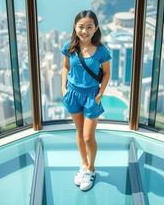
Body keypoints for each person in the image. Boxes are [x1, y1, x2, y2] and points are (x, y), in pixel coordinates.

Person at [61, 10, 111, 191]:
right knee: (80, 131)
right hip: (73, 93)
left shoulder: (102, 51)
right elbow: (65, 67)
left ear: (95, 28)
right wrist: (63, 88)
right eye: (81, 26)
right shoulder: (69, 46)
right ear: (75, 27)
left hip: (91, 95)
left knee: (89, 136)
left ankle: (91, 168)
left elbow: (106, 74)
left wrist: (100, 94)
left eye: (89, 27)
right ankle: (83, 164)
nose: (84, 31)